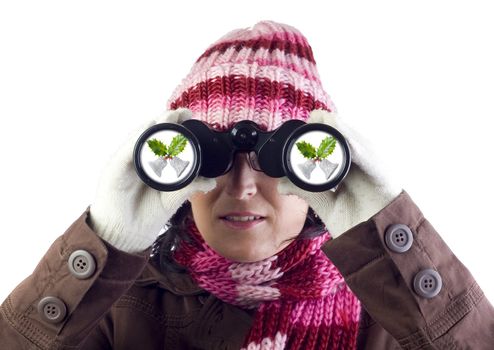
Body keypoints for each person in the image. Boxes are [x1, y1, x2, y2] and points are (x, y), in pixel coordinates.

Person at [1, 20, 493, 350]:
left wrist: (389, 233)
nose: (240, 186)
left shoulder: (390, 311)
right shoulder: (117, 305)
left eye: (273, 162)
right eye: (212, 158)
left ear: (319, 171)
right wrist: (100, 245)